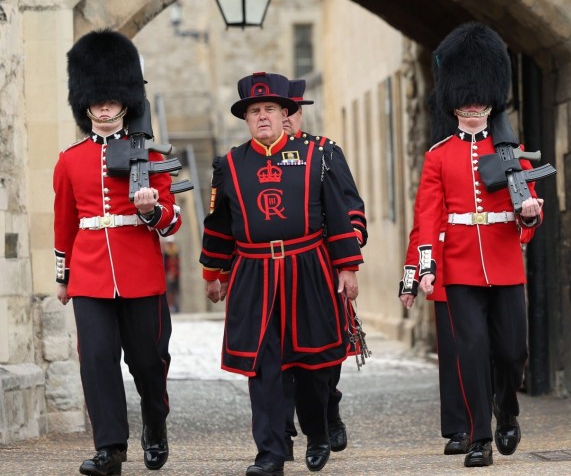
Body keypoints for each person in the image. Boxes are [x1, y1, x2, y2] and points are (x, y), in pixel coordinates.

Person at [200, 71, 363, 476]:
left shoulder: (315, 156)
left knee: (312, 366)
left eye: (270, 108)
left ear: (285, 112)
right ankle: (270, 453)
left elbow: (339, 213)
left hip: (308, 269)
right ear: (247, 118)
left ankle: (318, 431)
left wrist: (346, 267)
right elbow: (219, 224)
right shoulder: (231, 165)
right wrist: (213, 273)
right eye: (254, 111)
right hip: (254, 274)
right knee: (264, 367)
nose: (263, 117)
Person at [411, 23, 544, 468]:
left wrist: (529, 216)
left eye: (478, 94)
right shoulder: (439, 155)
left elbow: (528, 213)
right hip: (460, 267)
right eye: (465, 95)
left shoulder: (511, 149)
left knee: (512, 352)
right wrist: (426, 268)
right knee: (469, 352)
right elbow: (428, 216)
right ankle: (479, 438)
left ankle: (507, 408)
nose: (472, 102)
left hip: (504, 264)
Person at [54, 29, 182, 476]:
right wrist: (63, 275)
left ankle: (155, 421)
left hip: (139, 269)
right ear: (85, 102)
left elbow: (173, 221)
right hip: (89, 272)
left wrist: (151, 211)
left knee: (148, 360)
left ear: (126, 100)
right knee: (96, 360)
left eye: (112, 98)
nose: (105, 106)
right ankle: (109, 448)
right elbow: (64, 221)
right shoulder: (69, 159)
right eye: (98, 99)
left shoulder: (151, 153)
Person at [280, 79, 368, 458]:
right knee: (277, 355)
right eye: (277, 112)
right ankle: (280, 429)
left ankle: (329, 410)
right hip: (275, 271)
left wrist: (346, 255)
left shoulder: (324, 152)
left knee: (325, 355)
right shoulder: (249, 159)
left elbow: (349, 207)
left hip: (321, 266)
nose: (285, 119)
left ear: (300, 113)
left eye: (291, 111)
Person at [399, 92, 472, 456]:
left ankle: (484, 416)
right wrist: (412, 274)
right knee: (453, 353)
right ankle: (459, 426)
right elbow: (423, 225)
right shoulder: (439, 160)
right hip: (442, 268)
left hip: (476, 261)